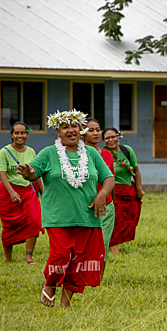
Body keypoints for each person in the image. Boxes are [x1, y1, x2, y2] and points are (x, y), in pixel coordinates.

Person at [18, 110, 114, 307]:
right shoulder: (48, 153)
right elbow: (33, 173)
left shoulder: (92, 153)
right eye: (65, 127)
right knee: (61, 255)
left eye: (74, 126)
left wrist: (102, 195)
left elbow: (109, 178)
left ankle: (66, 304)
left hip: (88, 215)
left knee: (78, 262)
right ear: (57, 131)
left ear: (81, 130)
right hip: (58, 216)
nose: (71, 131)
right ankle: (50, 283)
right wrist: (28, 173)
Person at [0, 122, 42, 263]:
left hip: (28, 191)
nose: (20, 136)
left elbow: (35, 173)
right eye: (17, 133)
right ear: (12, 135)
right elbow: (2, 175)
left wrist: (43, 191)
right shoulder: (4, 152)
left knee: (34, 221)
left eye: (23, 133)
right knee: (9, 225)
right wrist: (12, 192)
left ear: (27, 134)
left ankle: (29, 256)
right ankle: (8, 259)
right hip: (8, 192)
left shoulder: (31, 152)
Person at [104, 127, 143, 255]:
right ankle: (114, 251)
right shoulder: (103, 154)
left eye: (113, 137)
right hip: (113, 192)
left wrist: (139, 190)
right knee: (115, 221)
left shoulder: (127, 150)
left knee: (128, 220)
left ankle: (116, 245)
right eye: (107, 138)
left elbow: (136, 171)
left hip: (128, 192)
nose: (111, 140)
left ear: (118, 136)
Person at [82, 119, 116, 263]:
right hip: (85, 206)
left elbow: (111, 179)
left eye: (98, 129)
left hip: (106, 206)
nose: (96, 133)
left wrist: (111, 203)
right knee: (85, 246)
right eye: (91, 130)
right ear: (83, 133)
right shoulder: (79, 155)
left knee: (103, 245)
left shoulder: (107, 155)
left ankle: (98, 280)